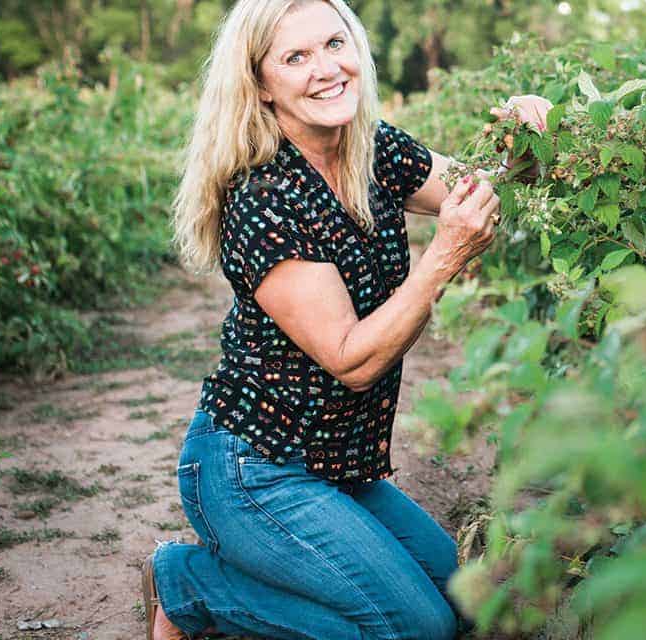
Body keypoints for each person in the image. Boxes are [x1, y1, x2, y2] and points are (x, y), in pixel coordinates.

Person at [141, 0, 550, 638]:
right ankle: (190, 584)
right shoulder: (266, 198)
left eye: (335, 43)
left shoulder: (372, 149)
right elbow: (351, 359)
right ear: (261, 85)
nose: (326, 69)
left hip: (337, 466)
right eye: (295, 57)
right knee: (414, 630)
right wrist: (442, 257)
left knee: (468, 608)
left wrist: (527, 140)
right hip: (254, 469)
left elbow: (480, 191)